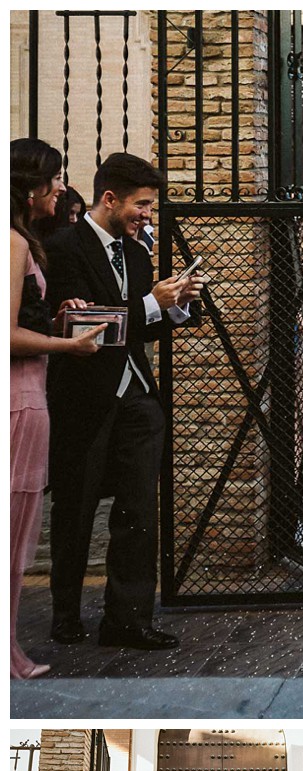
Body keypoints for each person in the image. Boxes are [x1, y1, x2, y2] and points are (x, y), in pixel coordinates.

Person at [43, 151, 202, 652]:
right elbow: (83, 328)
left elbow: (138, 324)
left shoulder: (135, 253)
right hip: (85, 399)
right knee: (76, 510)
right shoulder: (62, 247)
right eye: (141, 205)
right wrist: (153, 302)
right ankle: (65, 616)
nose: (147, 215)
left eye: (151, 206)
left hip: (137, 399)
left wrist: (178, 305)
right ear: (109, 198)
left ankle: (128, 620)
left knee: (138, 511)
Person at [10, 139, 104, 679]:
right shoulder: (15, 242)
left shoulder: (23, 241)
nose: (63, 188)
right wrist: (68, 345)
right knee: (16, 533)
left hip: (28, 392)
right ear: (32, 187)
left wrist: (56, 314)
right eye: (55, 179)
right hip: (21, 400)